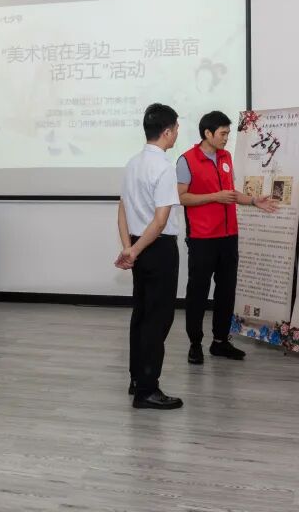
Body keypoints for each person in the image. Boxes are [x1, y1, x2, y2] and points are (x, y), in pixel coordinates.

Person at [178, 111, 279, 365]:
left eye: (227, 133)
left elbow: (230, 193)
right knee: (198, 293)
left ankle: (220, 341)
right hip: (202, 239)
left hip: (228, 237)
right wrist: (214, 197)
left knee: (226, 291)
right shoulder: (187, 160)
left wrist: (254, 201)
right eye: (223, 134)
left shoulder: (226, 157)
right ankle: (195, 344)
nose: (226, 138)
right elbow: (181, 197)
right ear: (207, 133)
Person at [116, 103, 184, 410]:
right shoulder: (164, 167)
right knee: (157, 319)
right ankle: (147, 390)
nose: (177, 133)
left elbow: (122, 209)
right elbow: (159, 221)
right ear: (167, 132)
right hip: (157, 248)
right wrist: (136, 250)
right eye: (176, 128)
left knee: (142, 315)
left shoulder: (133, 163)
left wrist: (129, 247)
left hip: (137, 245)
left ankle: (136, 379)